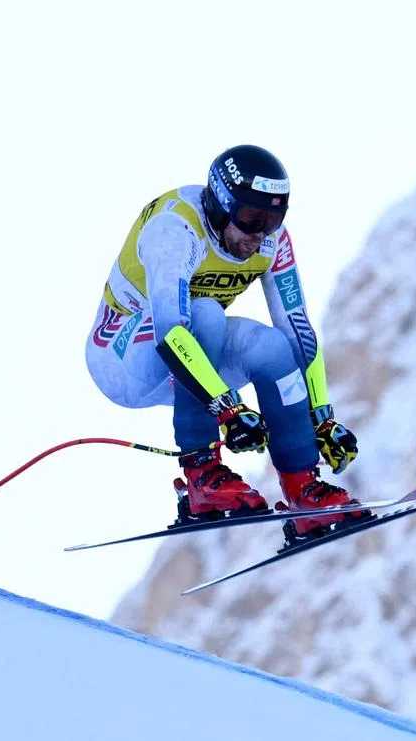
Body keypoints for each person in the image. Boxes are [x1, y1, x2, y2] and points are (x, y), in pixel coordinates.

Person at [85, 144, 363, 536]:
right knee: (206, 314)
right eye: (251, 218)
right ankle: (201, 475)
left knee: (275, 348)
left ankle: (303, 493)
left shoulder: (271, 241)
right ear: (219, 204)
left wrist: (322, 415)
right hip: (123, 357)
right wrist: (228, 409)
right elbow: (172, 332)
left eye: (273, 218)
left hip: (194, 363)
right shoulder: (176, 229)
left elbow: (297, 327)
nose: (260, 234)